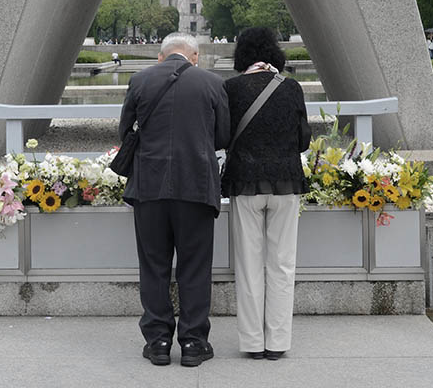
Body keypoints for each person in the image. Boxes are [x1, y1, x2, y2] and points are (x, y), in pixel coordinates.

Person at [118, 32, 230, 368]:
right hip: (195, 187)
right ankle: (194, 343)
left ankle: (159, 342)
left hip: (149, 188)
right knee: (195, 267)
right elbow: (223, 136)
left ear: (160, 57)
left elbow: (126, 132)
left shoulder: (140, 81)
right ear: (194, 56)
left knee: (154, 266)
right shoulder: (212, 83)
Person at [222, 27, 310, 361]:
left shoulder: (230, 88)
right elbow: (303, 139)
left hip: (245, 182)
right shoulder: (291, 88)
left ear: (241, 55)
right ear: (274, 53)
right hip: (286, 182)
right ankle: (277, 342)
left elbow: (223, 136)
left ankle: (252, 343)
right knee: (283, 264)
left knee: (249, 265)